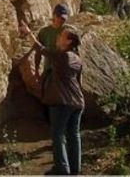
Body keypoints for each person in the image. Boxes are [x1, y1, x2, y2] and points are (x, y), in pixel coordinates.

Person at [21, 19, 84, 176]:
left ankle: (62, 168)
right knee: (73, 135)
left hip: (62, 101)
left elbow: (40, 49)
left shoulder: (63, 57)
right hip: (77, 102)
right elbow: (79, 82)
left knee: (57, 134)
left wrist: (28, 32)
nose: (57, 37)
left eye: (61, 36)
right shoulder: (77, 59)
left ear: (69, 41)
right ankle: (75, 168)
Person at [35, 4, 70, 79]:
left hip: (65, 71)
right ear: (53, 15)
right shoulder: (44, 32)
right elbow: (38, 52)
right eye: (59, 17)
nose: (60, 20)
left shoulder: (69, 32)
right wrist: (36, 70)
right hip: (49, 70)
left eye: (63, 18)